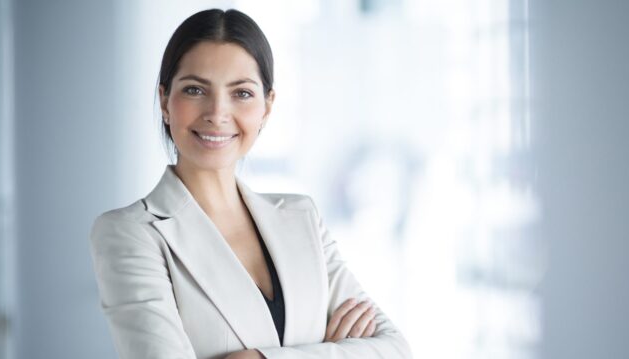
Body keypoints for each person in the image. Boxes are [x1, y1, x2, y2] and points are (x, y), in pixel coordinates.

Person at [89, 8, 412, 359]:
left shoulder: (301, 217)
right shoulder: (130, 234)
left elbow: (394, 350)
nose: (217, 113)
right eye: (195, 89)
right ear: (165, 101)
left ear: (267, 107)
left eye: (241, 93)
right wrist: (328, 350)